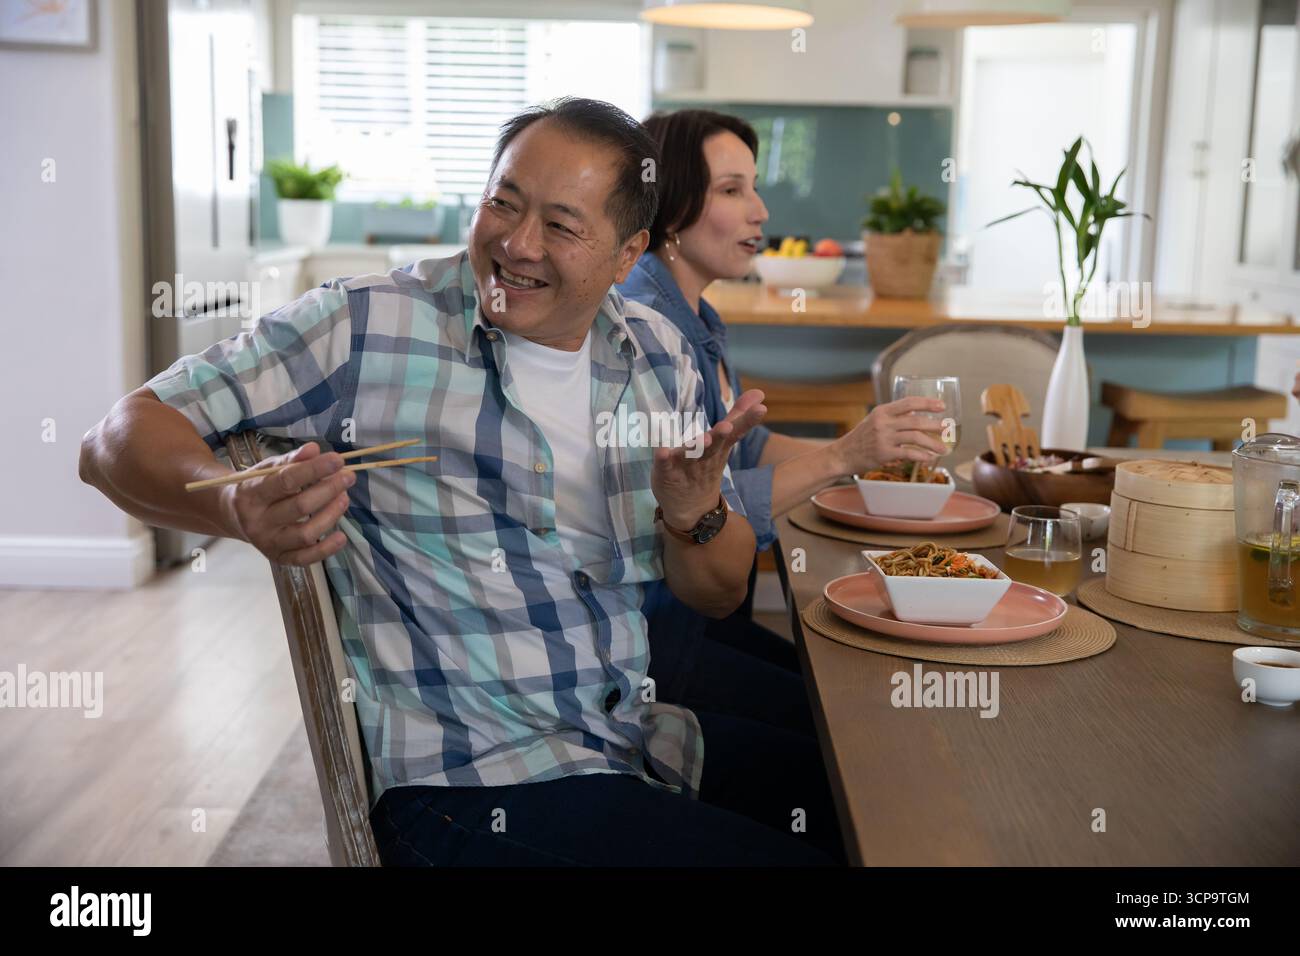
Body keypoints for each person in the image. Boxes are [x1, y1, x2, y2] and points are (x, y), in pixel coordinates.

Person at [80, 97, 845, 866]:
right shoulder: (369, 326)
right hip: (470, 790)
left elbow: (713, 593)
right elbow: (116, 435)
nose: (516, 243)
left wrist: (695, 514)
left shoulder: (655, 355)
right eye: (501, 203)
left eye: (560, 225)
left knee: (855, 800)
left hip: (630, 739)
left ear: (627, 253)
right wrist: (233, 502)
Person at [618, 109, 948, 734]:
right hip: (657, 642)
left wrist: (870, 452)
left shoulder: (694, 314)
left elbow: (744, 449)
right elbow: (689, 502)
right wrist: (842, 459)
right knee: (843, 721)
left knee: (839, 692)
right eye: (732, 189)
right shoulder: (644, 327)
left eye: (755, 186)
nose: (761, 210)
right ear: (669, 202)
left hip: (698, 622)